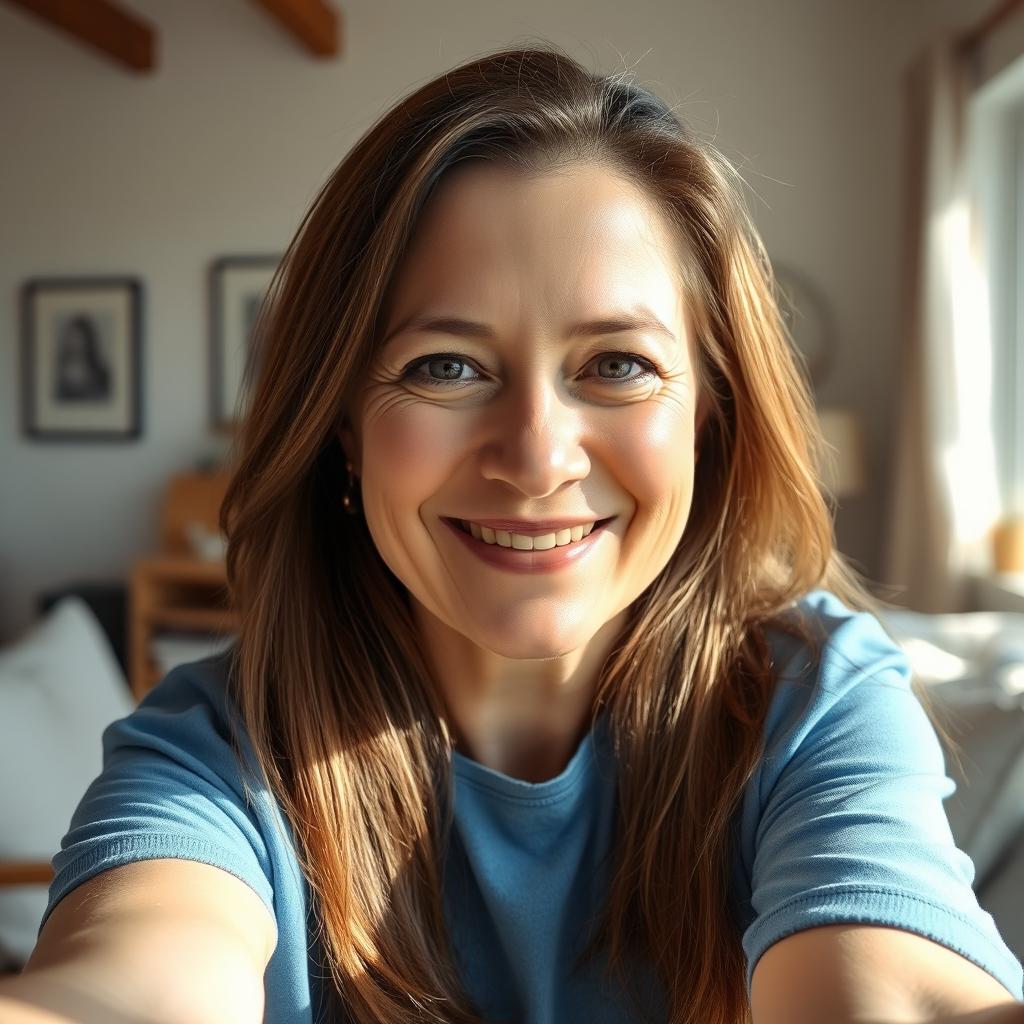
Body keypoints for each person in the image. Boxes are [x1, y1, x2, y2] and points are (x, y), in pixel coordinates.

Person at [2, 44, 1022, 1024]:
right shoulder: (216, 750)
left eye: (616, 363)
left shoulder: (811, 699)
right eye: (447, 365)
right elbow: (124, 986)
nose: (537, 458)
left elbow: (891, 990)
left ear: (708, 414)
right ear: (344, 429)